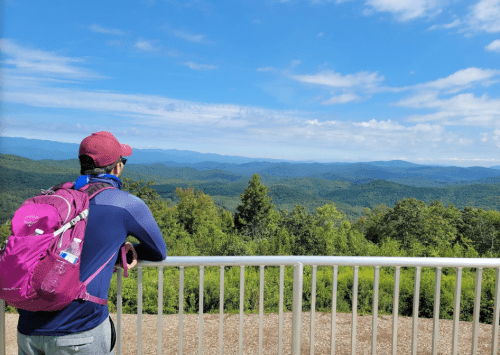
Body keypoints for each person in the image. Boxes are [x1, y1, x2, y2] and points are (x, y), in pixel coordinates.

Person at [17, 131, 167, 355]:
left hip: (29, 330)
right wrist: (123, 252)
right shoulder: (126, 205)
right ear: (117, 168)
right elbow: (158, 251)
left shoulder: (56, 197)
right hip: (80, 332)